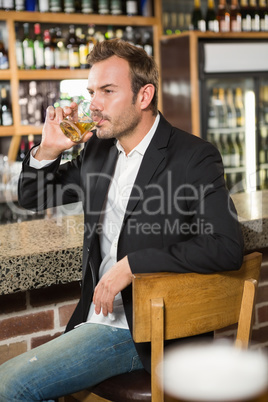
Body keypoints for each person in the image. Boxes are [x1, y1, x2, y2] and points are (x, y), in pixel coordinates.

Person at [0, 39, 244, 401]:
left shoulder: (194, 156)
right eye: (91, 91)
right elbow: (35, 197)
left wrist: (133, 265)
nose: (93, 104)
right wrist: (48, 150)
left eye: (107, 91)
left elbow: (227, 248)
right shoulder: (98, 150)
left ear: (144, 96)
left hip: (148, 331)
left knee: (10, 384)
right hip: (96, 320)